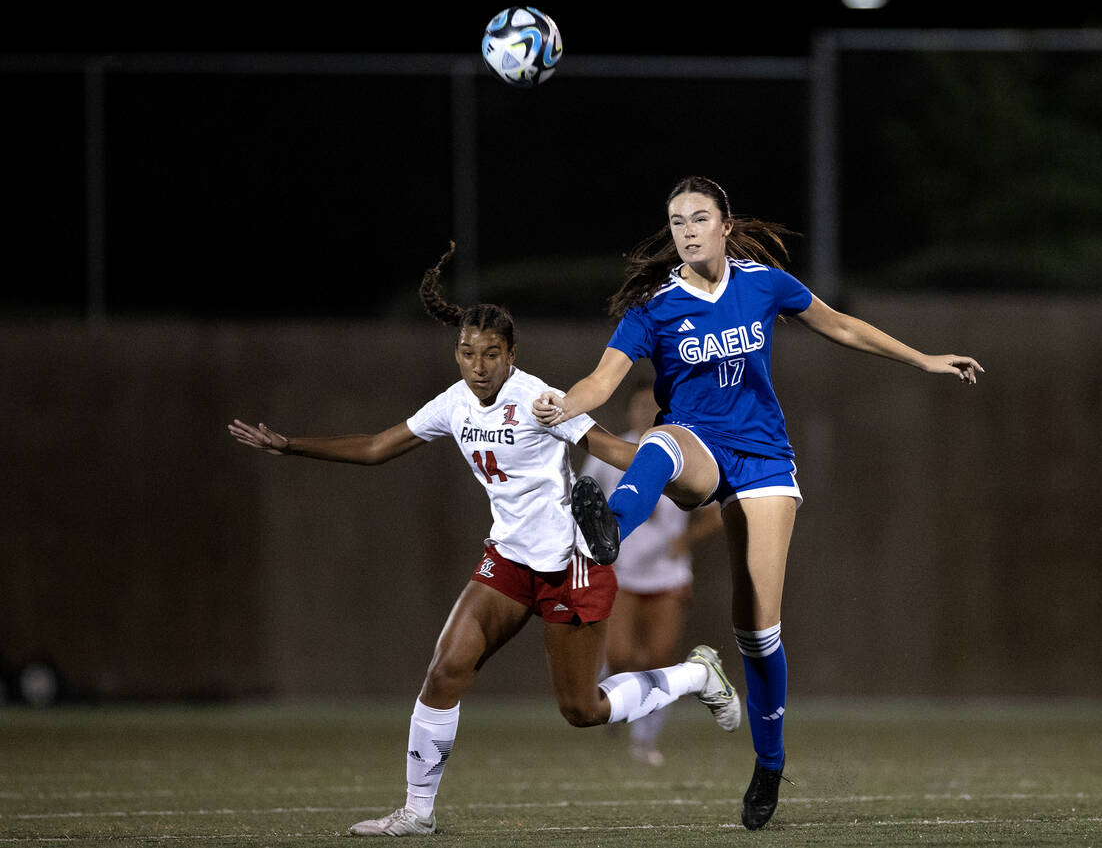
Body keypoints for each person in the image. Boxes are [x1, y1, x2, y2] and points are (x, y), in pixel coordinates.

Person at [227, 243, 742, 838]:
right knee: (445, 671)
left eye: (490, 354)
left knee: (582, 710)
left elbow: (613, 450)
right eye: (467, 353)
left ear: (511, 355)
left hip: (572, 561)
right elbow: (375, 447)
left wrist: (688, 467)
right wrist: (290, 445)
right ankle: (417, 812)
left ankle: (696, 677)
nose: (477, 365)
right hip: (508, 560)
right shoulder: (453, 403)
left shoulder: (540, 400)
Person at [533, 177, 983, 830]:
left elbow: (841, 325)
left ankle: (768, 761)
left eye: (698, 218)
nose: (687, 230)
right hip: (697, 446)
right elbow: (603, 379)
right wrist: (563, 403)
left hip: (765, 459)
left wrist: (922, 359)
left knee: (758, 628)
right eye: (676, 221)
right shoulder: (656, 307)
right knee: (659, 438)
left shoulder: (761, 282)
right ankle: (610, 530)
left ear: (724, 224)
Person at [580, 379, 722, 766]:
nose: (644, 413)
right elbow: (584, 499)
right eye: (638, 406)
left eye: (651, 406)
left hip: (668, 575)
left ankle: (644, 740)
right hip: (622, 571)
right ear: (628, 410)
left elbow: (715, 513)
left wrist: (685, 540)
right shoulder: (613, 451)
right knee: (622, 653)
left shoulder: (683, 448)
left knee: (660, 656)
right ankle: (611, 696)